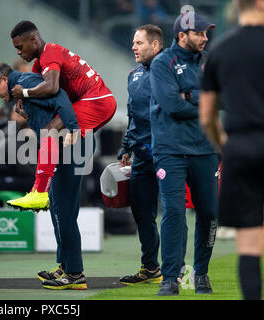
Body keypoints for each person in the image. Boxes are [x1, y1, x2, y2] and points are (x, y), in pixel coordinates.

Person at [0, 62, 91, 290]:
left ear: (4, 80)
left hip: (68, 147)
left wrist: (71, 127)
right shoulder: (23, 90)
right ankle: (65, 266)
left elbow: (61, 97)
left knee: (64, 212)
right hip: (62, 148)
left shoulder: (26, 83)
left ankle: (75, 274)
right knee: (58, 211)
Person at [7, 20, 116, 211]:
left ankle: (40, 193)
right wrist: (24, 106)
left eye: (20, 46)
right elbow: (40, 94)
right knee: (57, 141)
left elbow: (51, 87)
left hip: (98, 101)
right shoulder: (39, 64)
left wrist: (23, 93)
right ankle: (40, 189)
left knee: (50, 131)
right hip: (90, 102)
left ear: (33, 38)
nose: (18, 52)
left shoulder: (50, 52)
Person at [149, 11, 219, 296]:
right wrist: (204, 101)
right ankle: (169, 278)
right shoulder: (162, 63)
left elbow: (223, 99)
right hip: (171, 151)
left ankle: (201, 274)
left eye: (205, 33)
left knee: (210, 213)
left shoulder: (210, 63)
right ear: (181, 35)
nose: (205, 38)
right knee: (174, 213)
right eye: (199, 33)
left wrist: (189, 96)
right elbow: (172, 107)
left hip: (206, 148)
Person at [199, 0, 264, 300]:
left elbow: (206, 115)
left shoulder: (221, 49)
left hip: (240, 149)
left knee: (249, 247)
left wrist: (224, 143)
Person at [118, 24, 189, 286]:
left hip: (169, 154)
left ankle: (178, 270)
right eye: (133, 42)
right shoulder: (133, 75)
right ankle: (150, 268)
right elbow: (133, 115)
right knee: (141, 213)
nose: (133, 47)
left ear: (155, 45)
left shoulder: (174, 71)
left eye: (139, 43)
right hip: (141, 156)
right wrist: (126, 146)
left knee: (173, 212)